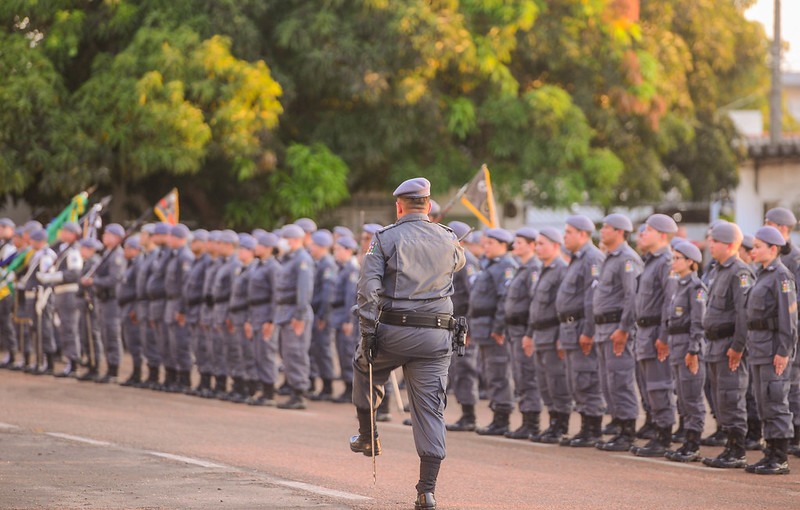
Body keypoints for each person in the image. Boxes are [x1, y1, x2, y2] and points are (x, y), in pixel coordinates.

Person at [350, 177, 465, 510]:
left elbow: (367, 290)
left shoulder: (385, 238)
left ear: (398, 206)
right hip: (435, 337)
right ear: (428, 205)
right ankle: (426, 491)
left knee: (364, 366)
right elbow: (460, 263)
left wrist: (367, 332)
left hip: (393, 330)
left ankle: (368, 435)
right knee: (430, 409)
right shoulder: (449, 238)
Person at [743, 226, 797, 474]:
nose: (753, 251)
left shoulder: (781, 277)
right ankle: (770, 452)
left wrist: (784, 350)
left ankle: (779, 456)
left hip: (773, 350)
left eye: (757, 246)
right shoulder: (762, 274)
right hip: (758, 349)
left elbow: (788, 319)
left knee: (776, 401)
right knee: (764, 402)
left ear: (772, 249)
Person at [701, 221, 754, 469]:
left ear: (731, 245)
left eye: (715, 241)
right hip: (713, 344)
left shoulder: (739, 273)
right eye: (710, 240)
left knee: (731, 396)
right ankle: (728, 446)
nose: (710, 244)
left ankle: (737, 450)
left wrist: (738, 346)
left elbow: (744, 315)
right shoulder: (717, 270)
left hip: (729, 346)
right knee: (719, 397)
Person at [593, 213, 644, 453]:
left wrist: (624, 329)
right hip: (604, 329)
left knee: (621, 381)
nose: (603, 231)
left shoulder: (627, 259)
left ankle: (628, 431)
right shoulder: (610, 258)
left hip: (617, 329)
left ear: (620, 232)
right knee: (609, 382)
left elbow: (631, 297)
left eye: (607, 227)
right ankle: (618, 425)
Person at [629, 214, 678, 457]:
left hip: (656, 334)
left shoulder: (666, 261)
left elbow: (670, 301)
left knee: (660, 386)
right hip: (644, 332)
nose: (641, 235)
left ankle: (664, 436)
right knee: (650, 387)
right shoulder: (650, 261)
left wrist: (664, 336)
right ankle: (658, 431)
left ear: (661, 235)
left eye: (646, 230)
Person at [555, 215, 606, 447]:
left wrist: (588, 331)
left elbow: (591, 299)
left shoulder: (592, 258)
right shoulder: (576, 259)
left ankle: (593, 428)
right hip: (569, 328)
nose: (564, 236)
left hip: (581, 328)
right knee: (576, 379)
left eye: (568, 232)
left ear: (583, 234)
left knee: (587, 378)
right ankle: (585, 426)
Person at [664, 241, 708, 462]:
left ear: (690, 262)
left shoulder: (696, 288)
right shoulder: (679, 285)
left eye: (677, 258)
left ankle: (693, 444)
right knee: (682, 396)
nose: (673, 262)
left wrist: (693, 350)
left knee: (692, 397)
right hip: (676, 345)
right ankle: (686, 441)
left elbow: (698, 323)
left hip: (689, 348)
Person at [527, 228, 572, 444]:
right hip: (539, 333)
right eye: (536, 243)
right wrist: (529, 334)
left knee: (557, 381)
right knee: (545, 383)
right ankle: (553, 420)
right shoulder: (543, 269)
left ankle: (561, 424)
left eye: (541, 243)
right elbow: (535, 306)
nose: (537, 247)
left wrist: (561, 336)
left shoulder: (561, 270)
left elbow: (562, 307)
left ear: (556, 245)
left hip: (553, 332)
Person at [764, 207, 800, 457]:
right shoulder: (769, 259)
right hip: (773, 333)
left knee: (792, 385)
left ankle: (795, 435)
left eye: (769, 225)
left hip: (790, 330)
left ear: (783, 228)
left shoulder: (795, 260)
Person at [503, 227, 544, 440]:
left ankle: (533, 422)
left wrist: (530, 333)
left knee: (528, 376)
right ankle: (526, 420)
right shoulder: (521, 268)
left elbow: (533, 304)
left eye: (519, 242)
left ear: (531, 245)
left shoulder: (533, 269)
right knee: (520, 376)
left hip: (524, 330)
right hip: (514, 330)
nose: (515, 246)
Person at [274, 224, 315, 410]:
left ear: (294, 240)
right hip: (286, 312)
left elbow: (304, 291)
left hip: (296, 314)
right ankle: (294, 389)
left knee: (296, 353)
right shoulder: (289, 259)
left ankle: (299, 393)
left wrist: (299, 315)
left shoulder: (302, 260)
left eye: (285, 238)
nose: (282, 242)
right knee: (288, 354)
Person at [37, 222, 84, 377]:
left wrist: (52, 277)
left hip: (69, 293)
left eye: (65, 231)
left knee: (70, 329)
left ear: (72, 234)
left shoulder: (73, 252)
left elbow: (75, 274)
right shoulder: (64, 249)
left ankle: (73, 363)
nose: (61, 233)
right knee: (64, 329)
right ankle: (69, 361)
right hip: (61, 293)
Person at [87, 224, 127, 383]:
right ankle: (109, 367)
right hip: (103, 299)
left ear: (116, 238)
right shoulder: (108, 254)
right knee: (104, 333)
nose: (104, 236)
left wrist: (94, 281)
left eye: (108, 234)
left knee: (112, 334)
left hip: (112, 300)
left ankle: (114, 370)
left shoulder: (117, 255)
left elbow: (114, 278)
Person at [308, 230, 338, 401]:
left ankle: (328, 386)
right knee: (316, 350)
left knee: (324, 350)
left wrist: (322, 316)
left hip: (322, 314)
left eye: (313, 245)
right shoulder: (320, 263)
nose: (311, 248)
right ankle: (322, 385)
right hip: (317, 312)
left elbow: (328, 294)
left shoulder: (327, 264)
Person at [329, 236, 360, 404]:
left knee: (348, 352)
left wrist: (349, 320)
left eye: (338, 249)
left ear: (348, 250)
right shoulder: (342, 268)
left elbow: (351, 297)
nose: (336, 252)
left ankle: (351, 387)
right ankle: (347, 385)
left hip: (347, 317)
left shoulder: (351, 269)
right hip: (339, 315)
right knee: (341, 351)